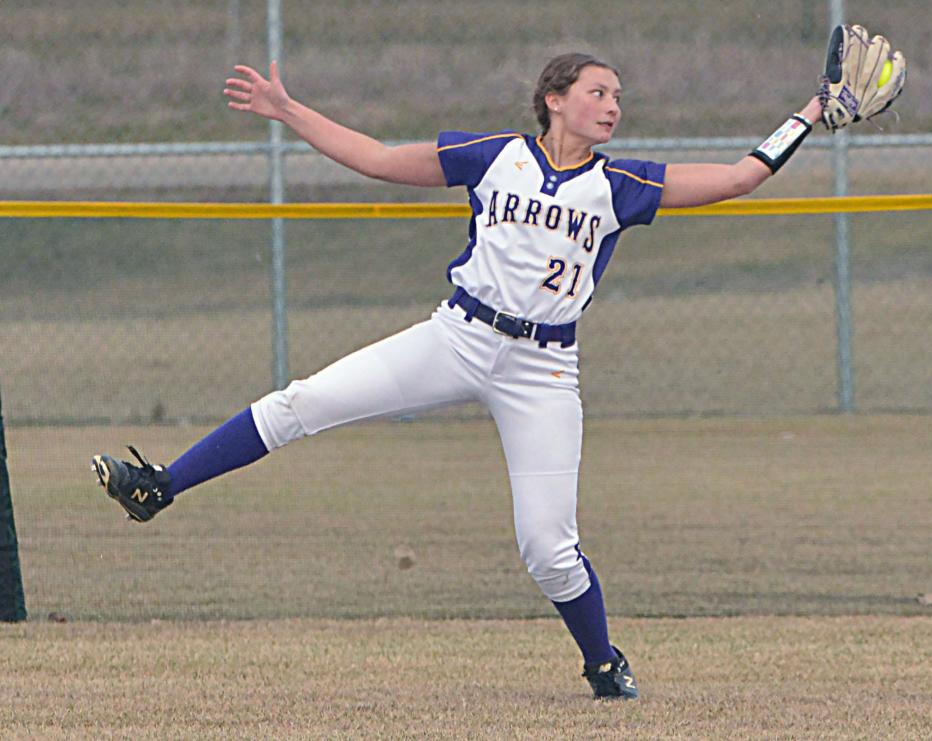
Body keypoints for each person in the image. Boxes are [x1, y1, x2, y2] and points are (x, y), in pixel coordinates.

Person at [93, 52, 823, 700]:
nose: (613, 106)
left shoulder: (623, 184)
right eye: (600, 92)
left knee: (548, 547)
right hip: (457, 335)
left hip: (543, 367)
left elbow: (739, 178)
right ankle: (161, 484)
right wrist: (288, 111)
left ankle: (602, 663)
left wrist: (813, 112)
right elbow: (377, 159)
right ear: (555, 98)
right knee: (304, 400)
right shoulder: (495, 155)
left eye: (619, 97)